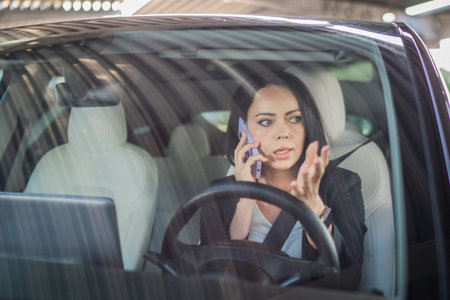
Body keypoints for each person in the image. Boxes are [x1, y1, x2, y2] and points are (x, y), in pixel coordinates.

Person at [200, 71, 366, 288]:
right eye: (266, 122)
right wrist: (246, 200)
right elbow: (212, 281)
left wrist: (315, 211)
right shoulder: (217, 194)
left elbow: (348, 278)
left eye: (295, 119)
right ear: (243, 131)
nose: (283, 133)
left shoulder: (343, 185)